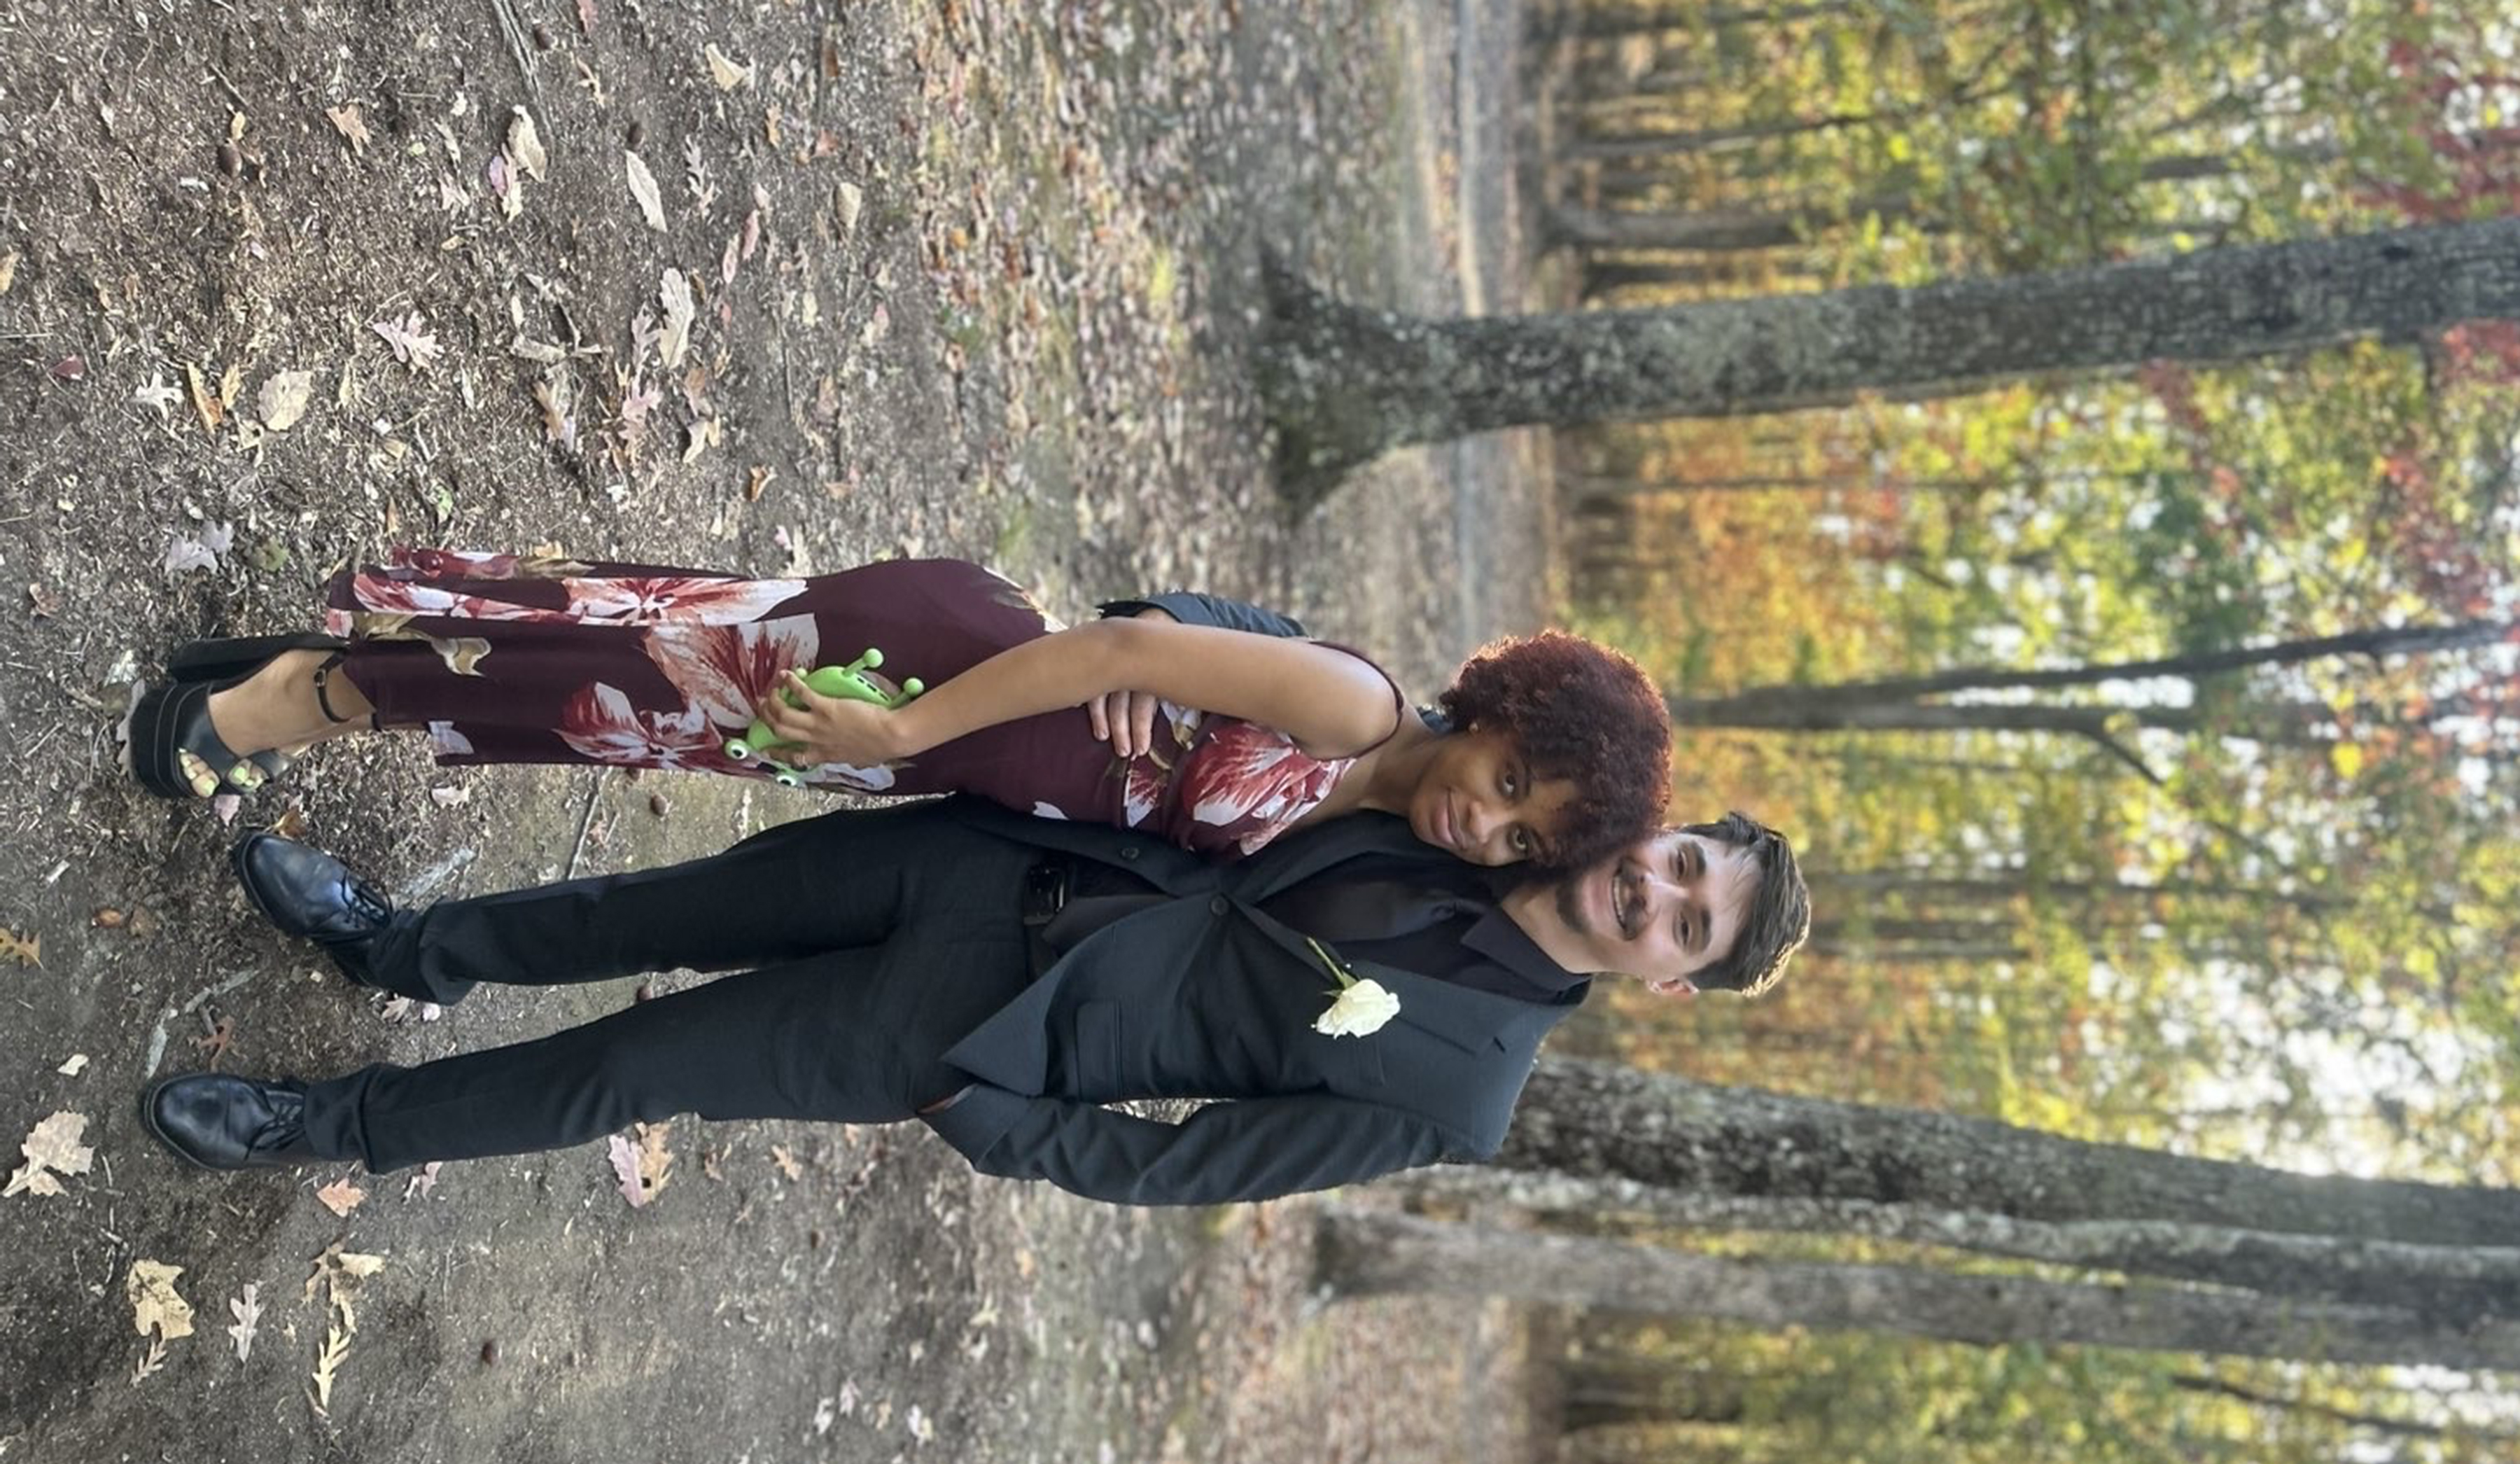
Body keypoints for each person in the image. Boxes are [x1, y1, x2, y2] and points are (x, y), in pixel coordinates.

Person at [141, 797, 1809, 1204]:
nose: (1655, 894)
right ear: (1662, 833)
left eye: (1688, 923)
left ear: (1672, 980)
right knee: (643, 906)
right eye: (1683, 864)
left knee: (631, 1068)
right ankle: (396, 947)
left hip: (965, 1041)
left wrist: (990, 1118)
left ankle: (320, 1124)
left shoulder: (1462, 1097)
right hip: (973, 864)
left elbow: (1186, 1168)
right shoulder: (1472, 807)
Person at [122, 552, 1674, 871]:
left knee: (632, 687)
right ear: (1496, 712)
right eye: (1512, 778)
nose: (1488, 819)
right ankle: (308, 698)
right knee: (632, 685)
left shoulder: (1359, 827)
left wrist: (903, 765)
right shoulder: (1355, 709)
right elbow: (1100, 649)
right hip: (931, 682)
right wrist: (903, 736)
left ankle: (346, 663)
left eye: (1522, 838)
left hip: (930, 752)